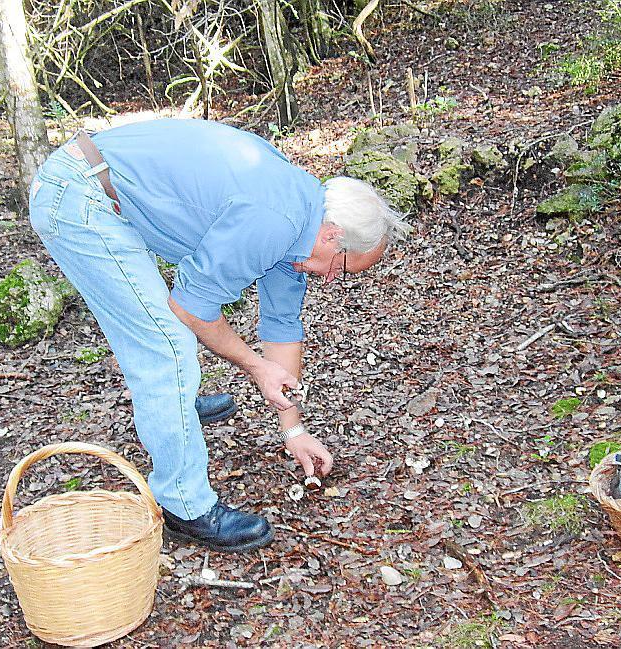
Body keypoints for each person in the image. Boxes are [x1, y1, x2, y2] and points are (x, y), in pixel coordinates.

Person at [28, 118, 409, 552]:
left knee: (166, 339)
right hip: (78, 196)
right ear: (333, 235)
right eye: (341, 268)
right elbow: (191, 309)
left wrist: (294, 431)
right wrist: (254, 366)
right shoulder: (274, 219)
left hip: (102, 190)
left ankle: (173, 409)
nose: (331, 278)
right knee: (166, 348)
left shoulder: (300, 227)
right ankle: (183, 506)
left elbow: (282, 329)